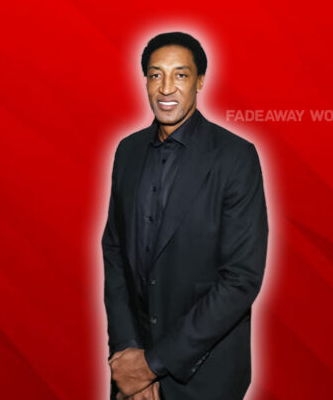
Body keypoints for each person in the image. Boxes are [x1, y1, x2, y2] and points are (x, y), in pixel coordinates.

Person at [102, 31, 268, 400]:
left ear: (200, 82)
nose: (166, 88)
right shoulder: (127, 151)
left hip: (204, 377)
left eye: (180, 74)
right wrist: (128, 353)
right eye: (155, 75)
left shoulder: (235, 157)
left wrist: (153, 364)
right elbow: (114, 252)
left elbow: (241, 279)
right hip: (132, 374)